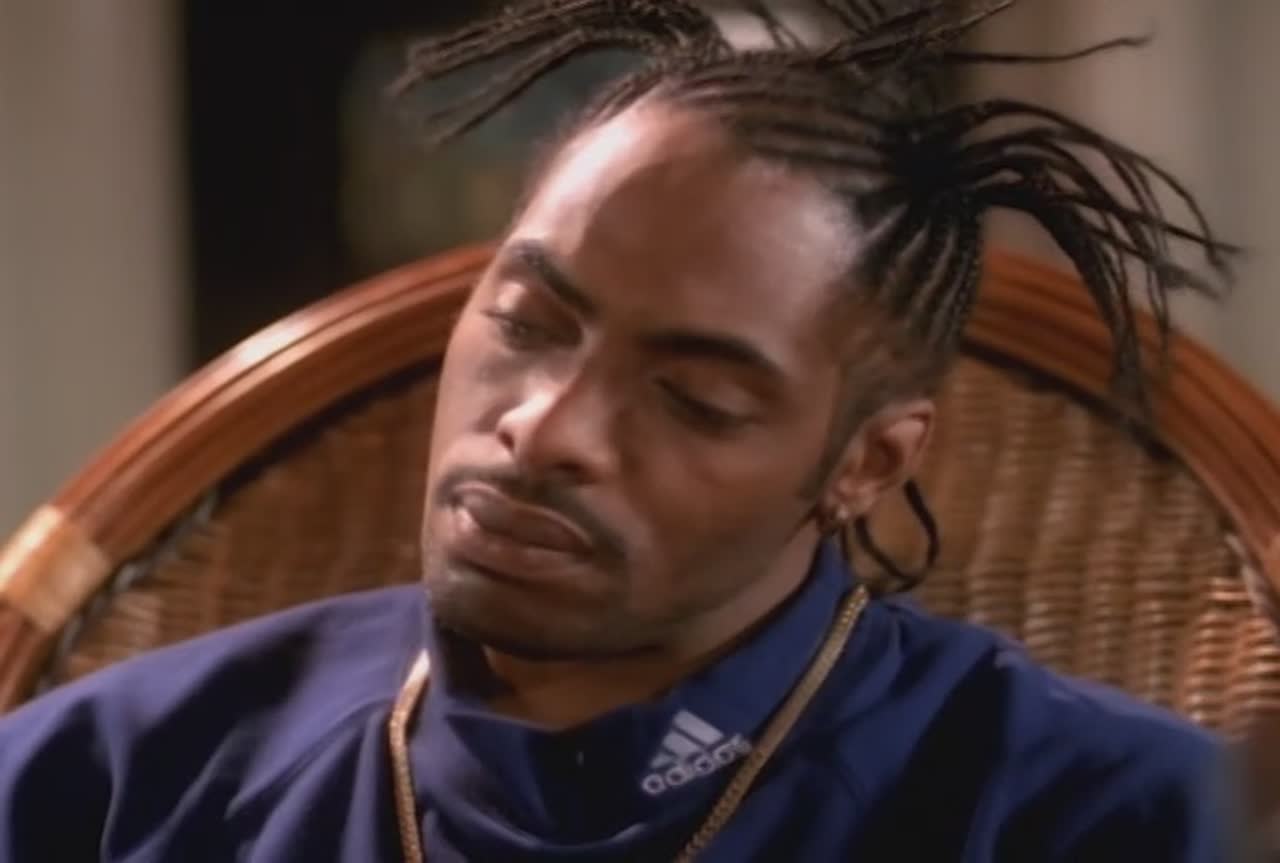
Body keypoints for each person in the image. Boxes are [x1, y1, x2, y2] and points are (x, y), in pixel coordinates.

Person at [0, 1, 1250, 860]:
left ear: (864, 463)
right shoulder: (114, 776)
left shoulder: (1111, 813)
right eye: (527, 322)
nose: (545, 429)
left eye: (694, 398)